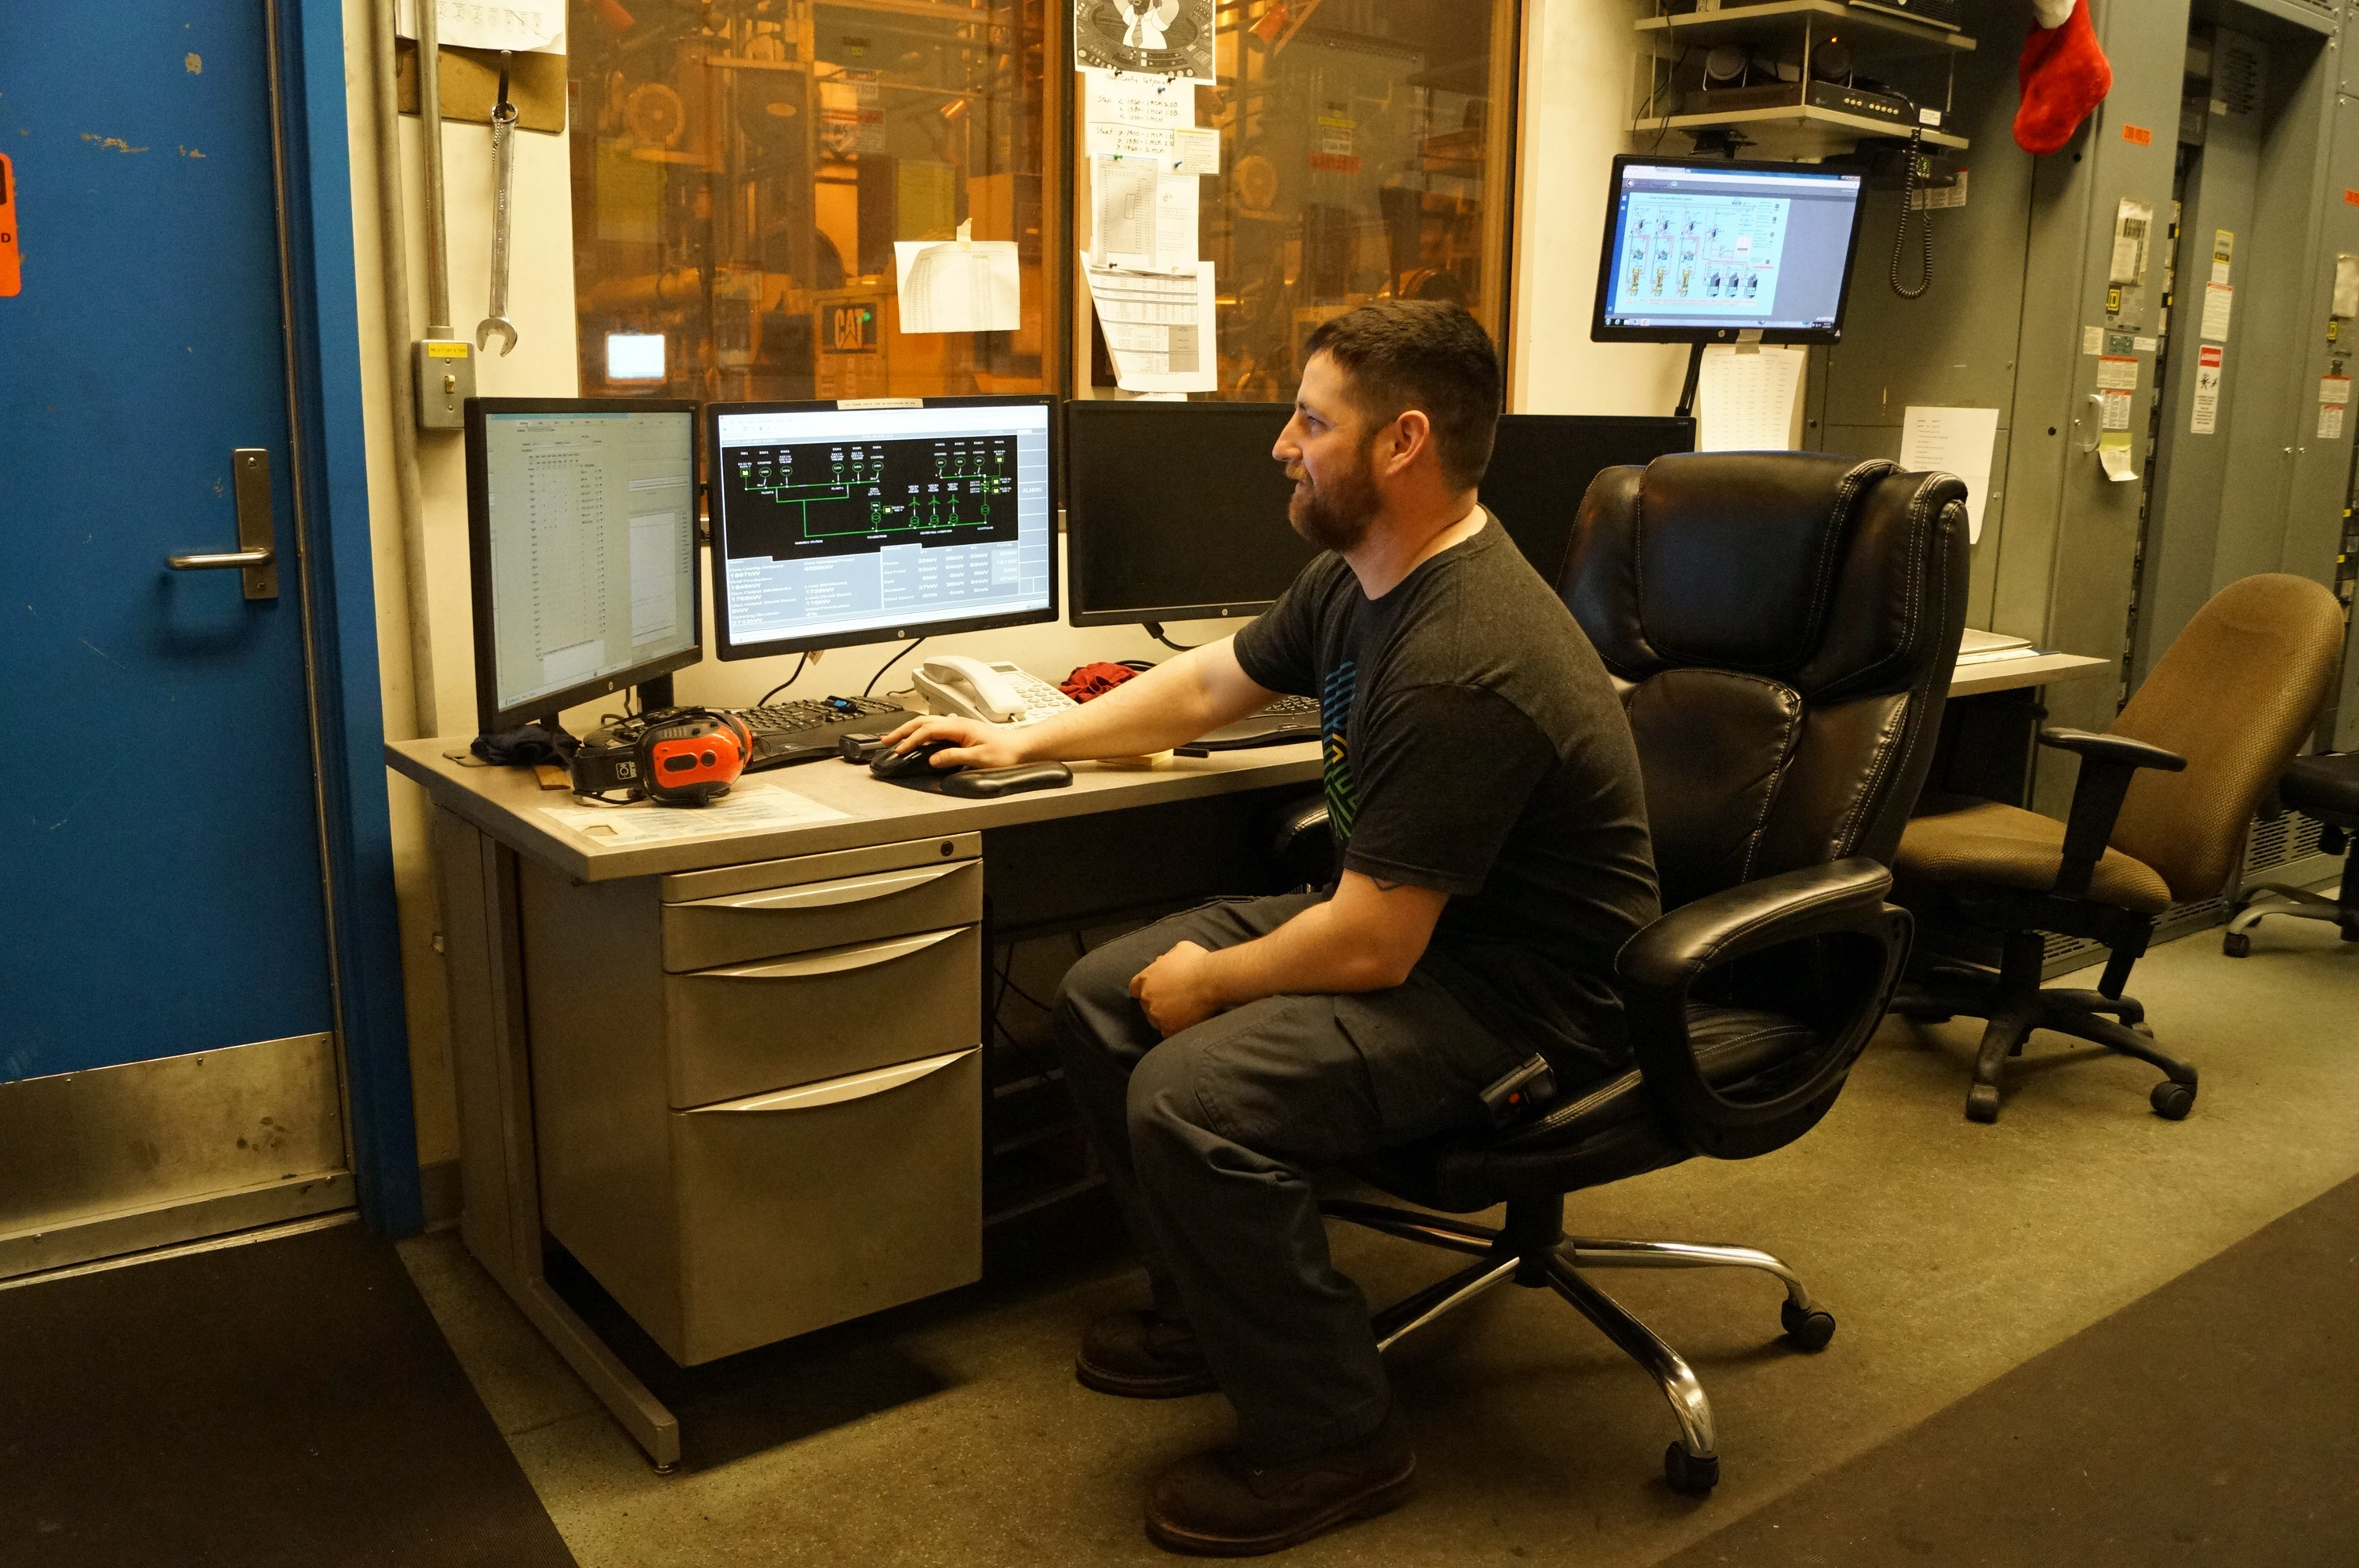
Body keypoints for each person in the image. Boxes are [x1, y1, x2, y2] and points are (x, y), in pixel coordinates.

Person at [879, 299, 1658, 1555]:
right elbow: (1203, 685)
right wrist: (1022, 737)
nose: (1281, 445)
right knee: (1096, 994)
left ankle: (1336, 1438)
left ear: (1402, 443)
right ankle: (1211, 1310)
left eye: (1310, 420)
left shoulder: (1470, 651)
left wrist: (1218, 982)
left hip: (1522, 1000)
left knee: (1191, 1091)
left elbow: (1372, 951)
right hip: (1410, 930)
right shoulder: (1362, 579)